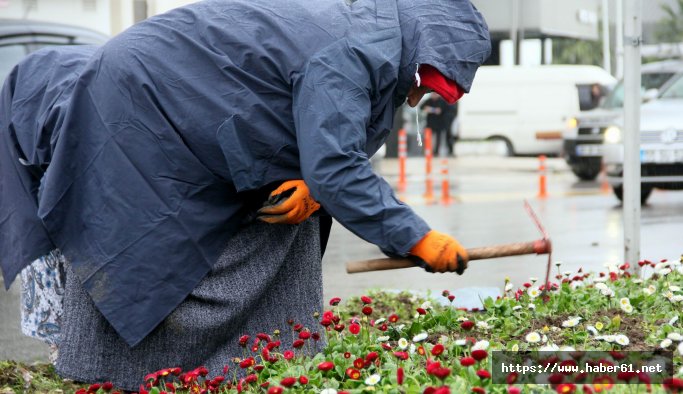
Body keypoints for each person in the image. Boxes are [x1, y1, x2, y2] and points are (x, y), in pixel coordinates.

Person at [0, 0, 490, 390]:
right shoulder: (353, 48)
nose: (419, 96)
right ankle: (128, 369)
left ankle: (254, 357)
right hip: (140, 108)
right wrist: (415, 237)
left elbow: (330, 136)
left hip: (178, 104)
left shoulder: (373, 36)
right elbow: (337, 164)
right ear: (419, 48)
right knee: (150, 250)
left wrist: (314, 182)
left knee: (290, 214)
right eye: (426, 83)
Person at [0, 45, 98, 362]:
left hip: (62, 140)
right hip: (35, 163)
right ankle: (66, 357)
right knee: (42, 247)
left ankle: (73, 357)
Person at [420, 92, 458, 156]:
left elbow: (440, 111)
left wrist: (430, 109)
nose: (434, 95)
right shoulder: (429, 100)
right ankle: (428, 151)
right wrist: (433, 110)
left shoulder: (442, 101)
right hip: (430, 122)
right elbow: (422, 107)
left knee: (438, 138)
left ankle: (436, 152)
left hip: (439, 123)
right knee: (428, 137)